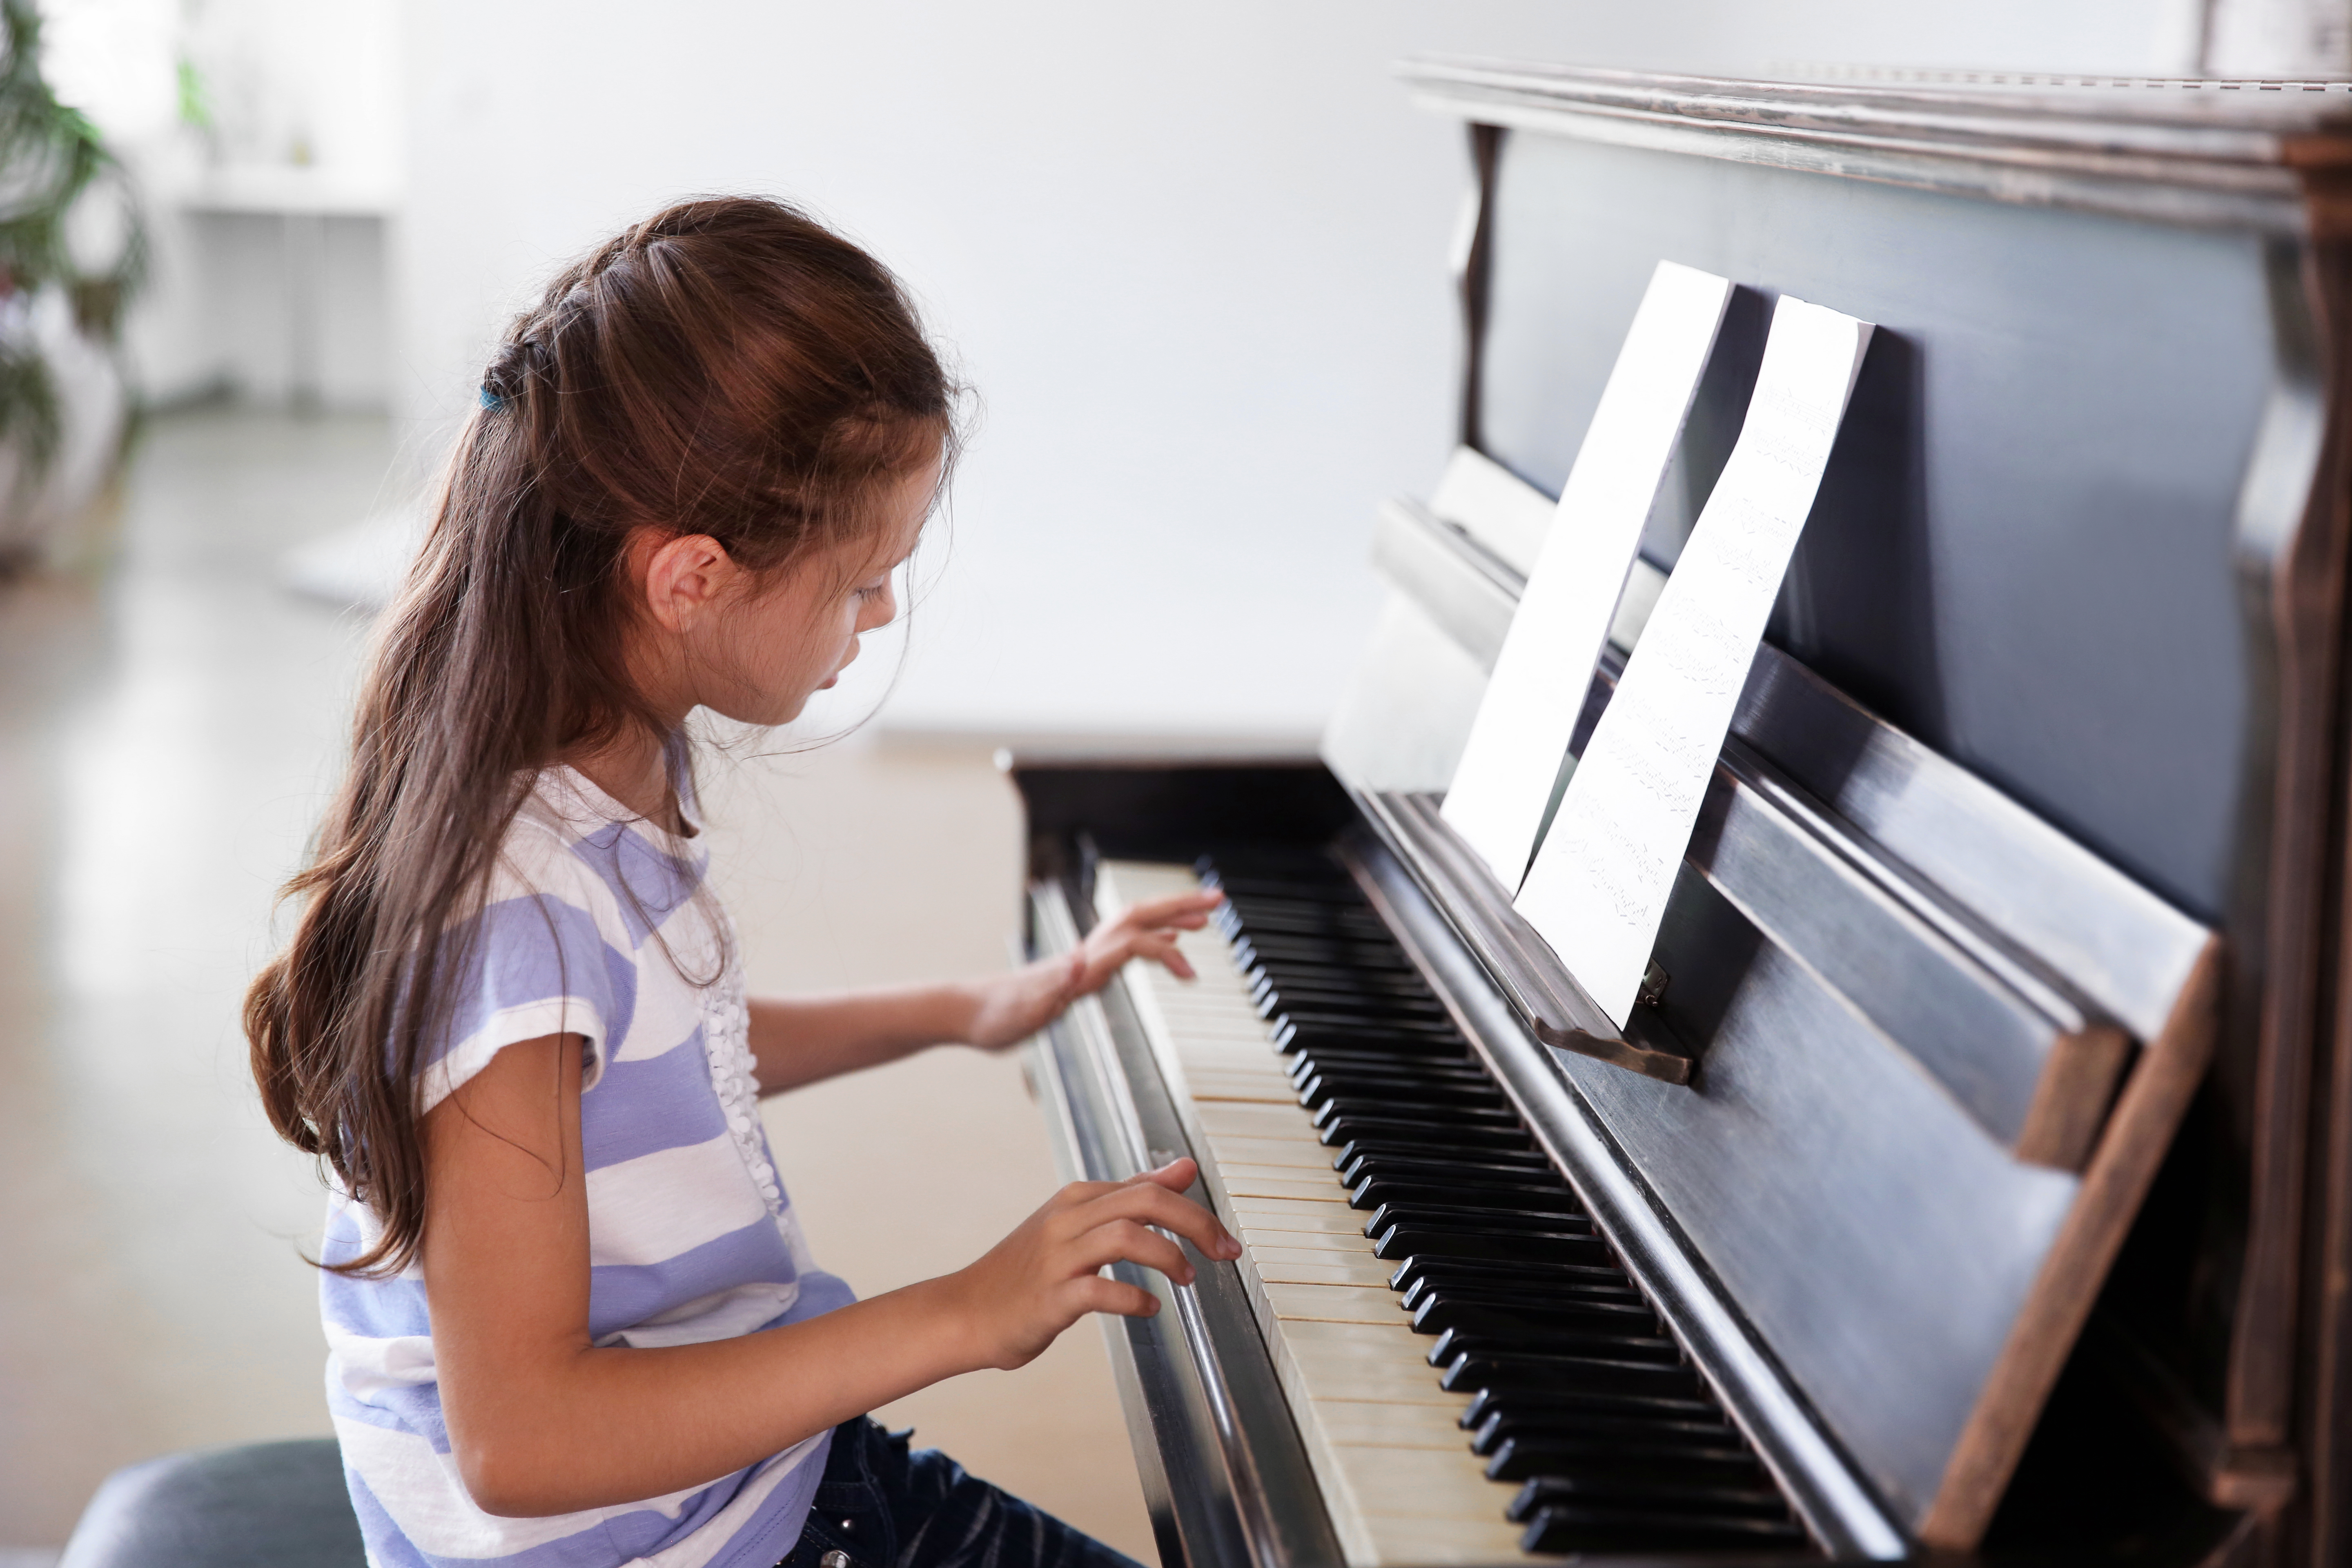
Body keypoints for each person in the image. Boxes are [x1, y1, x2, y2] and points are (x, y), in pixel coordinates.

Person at [242, 196, 1234, 1568]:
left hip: (734, 1478)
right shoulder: (511, 917)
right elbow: (522, 1443)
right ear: (692, 579)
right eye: (861, 580)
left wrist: (969, 1006)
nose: (878, 614)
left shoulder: (592, 776)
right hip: (668, 1538)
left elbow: (656, 1059)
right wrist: (961, 1311)